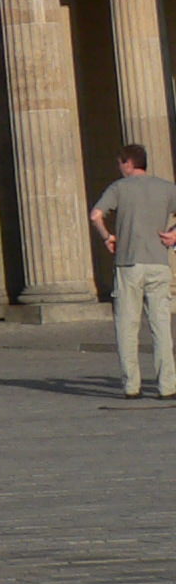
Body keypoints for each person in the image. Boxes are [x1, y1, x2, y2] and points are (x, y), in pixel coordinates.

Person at [90, 143, 176, 400]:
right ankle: (168, 386)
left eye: (120, 163)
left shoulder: (119, 188)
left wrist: (107, 236)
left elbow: (95, 215)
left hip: (128, 264)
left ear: (128, 163)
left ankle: (131, 385)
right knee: (161, 326)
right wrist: (173, 234)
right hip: (158, 262)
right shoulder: (167, 187)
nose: (119, 168)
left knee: (127, 326)